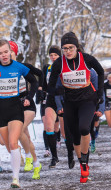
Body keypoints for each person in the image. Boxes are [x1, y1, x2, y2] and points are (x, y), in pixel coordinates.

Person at [47, 32, 104, 183]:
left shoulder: (86, 58)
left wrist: (99, 93)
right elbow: (51, 85)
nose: (68, 51)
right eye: (64, 48)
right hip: (70, 102)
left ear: (76, 47)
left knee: (84, 128)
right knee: (74, 137)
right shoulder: (58, 63)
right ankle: (82, 164)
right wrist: (57, 92)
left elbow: (101, 71)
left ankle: (84, 164)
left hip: (87, 100)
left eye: (71, 47)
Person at [0, 39, 37, 188]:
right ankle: (21, 162)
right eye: (0, 53)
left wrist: (29, 98)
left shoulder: (19, 67)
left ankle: (15, 179)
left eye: (6, 52)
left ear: (10, 52)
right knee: (7, 144)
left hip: (15, 108)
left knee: (13, 142)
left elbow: (35, 82)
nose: (4, 55)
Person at [8, 41, 42, 180]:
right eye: (4, 51)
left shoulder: (24, 67)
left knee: (20, 130)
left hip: (27, 104)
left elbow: (40, 75)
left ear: (15, 53)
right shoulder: (2, 70)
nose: (7, 53)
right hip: (14, 106)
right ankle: (36, 163)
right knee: (25, 137)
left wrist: (37, 91)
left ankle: (28, 157)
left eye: (10, 51)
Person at [40, 45, 63, 168]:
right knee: (48, 126)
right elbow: (43, 83)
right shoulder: (47, 68)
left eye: (56, 55)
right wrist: (41, 93)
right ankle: (54, 157)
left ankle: (72, 151)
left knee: (63, 130)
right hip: (50, 99)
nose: (53, 57)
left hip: (63, 99)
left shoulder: (65, 66)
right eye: (51, 55)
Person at [89, 69, 105, 153]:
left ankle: (93, 141)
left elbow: (102, 96)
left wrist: (101, 110)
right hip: (84, 105)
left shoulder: (98, 81)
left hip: (95, 105)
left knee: (93, 124)